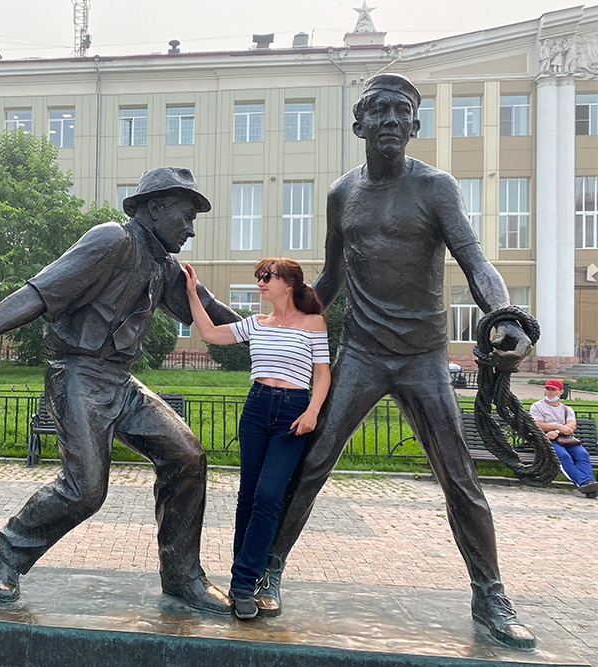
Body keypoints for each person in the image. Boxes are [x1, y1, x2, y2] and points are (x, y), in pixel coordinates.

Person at [258, 74, 538, 649]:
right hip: (360, 354)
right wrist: (286, 316)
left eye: (402, 110)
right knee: (310, 465)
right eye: (378, 110)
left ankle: (490, 595)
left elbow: (474, 259)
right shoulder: (342, 195)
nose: (390, 118)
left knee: (459, 477)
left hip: (421, 358)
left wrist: (505, 312)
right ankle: (268, 569)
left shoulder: (436, 189)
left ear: (415, 125)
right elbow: (333, 277)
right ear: (359, 125)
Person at [0, 167, 242, 613]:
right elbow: (36, 295)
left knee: (186, 456)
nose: (191, 229)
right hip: (76, 372)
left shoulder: (167, 267)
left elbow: (211, 311)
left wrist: (286, 329)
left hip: (120, 380)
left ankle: (182, 577)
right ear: (155, 208)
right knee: (85, 489)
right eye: (186, 216)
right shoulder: (110, 241)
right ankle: (10, 554)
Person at [183, 258, 330, 620]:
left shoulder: (313, 323)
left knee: (268, 497)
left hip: (292, 413)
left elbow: (322, 375)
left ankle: (245, 582)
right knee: (247, 498)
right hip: (256, 409)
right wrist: (192, 293)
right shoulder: (257, 323)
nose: (261, 283)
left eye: (268, 277)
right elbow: (211, 334)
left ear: (289, 284)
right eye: (260, 278)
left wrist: (311, 411)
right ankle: (242, 582)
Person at [531, 379, 597, 498]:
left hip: (566, 439)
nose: (550, 392)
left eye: (553, 389)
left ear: (561, 391)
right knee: (564, 456)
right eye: (547, 389)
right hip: (546, 439)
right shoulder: (537, 406)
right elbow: (538, 424)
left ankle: (589, 483)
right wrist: (559, 426)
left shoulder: (567, 409)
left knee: (583, 454)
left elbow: (572, 425)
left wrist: (556, 430)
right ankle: (585, 483)